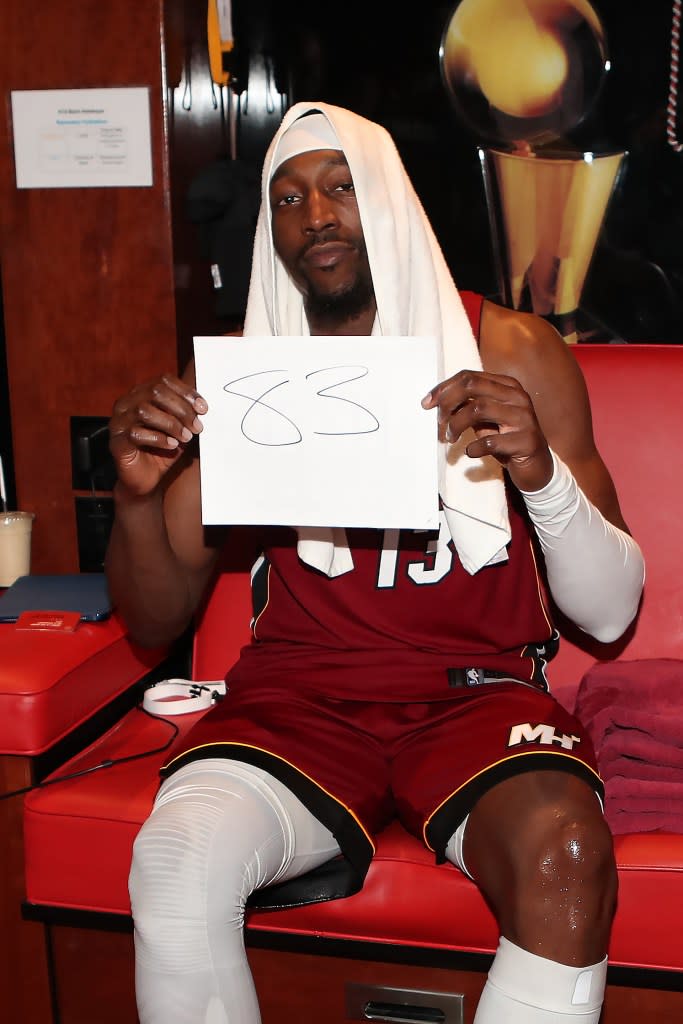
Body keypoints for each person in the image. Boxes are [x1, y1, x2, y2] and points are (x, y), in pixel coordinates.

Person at [105, 102, 645, 1024]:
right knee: (176, 854)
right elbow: (154, 622)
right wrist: (137, 495)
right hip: (300, 694)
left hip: (476, 693)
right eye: (287, 198)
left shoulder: (511, 350)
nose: (314, 214)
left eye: (340, 186)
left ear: (391, 200)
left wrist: (539, 475)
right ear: (269, 231)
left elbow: (606, 612)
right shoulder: (241, 379)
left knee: (564, 855)